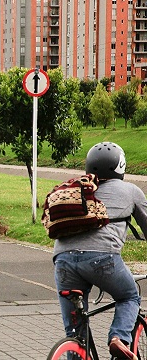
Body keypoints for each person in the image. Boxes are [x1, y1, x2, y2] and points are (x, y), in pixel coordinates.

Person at [53, 142, 147, 360]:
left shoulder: (77, 190)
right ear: (120, 166)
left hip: (63, 261)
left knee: (76, 336)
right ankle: (119, 339)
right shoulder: (131, 190)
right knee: (130, 296)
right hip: (103, 259)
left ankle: (75, 348)